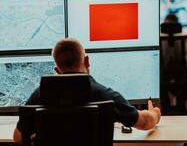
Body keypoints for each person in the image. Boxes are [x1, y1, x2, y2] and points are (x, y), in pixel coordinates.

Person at [13, 38, 161, 144]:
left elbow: (18, 137)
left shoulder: (39, 96)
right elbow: (144, 123)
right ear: (87, 61)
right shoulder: (105, 95)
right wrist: (154, 113)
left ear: (57, 70)